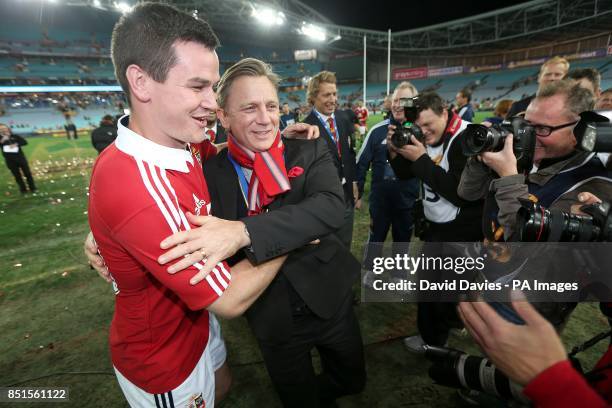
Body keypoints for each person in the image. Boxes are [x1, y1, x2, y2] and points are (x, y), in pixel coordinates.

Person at [88, 58, 365, 407]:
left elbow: (330, 208)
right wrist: (100, 232)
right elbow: (152, 205)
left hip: (329, 299)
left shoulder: (307, 147)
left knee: (352, 380)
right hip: (269, 315)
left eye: (272, 106)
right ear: (223, 117)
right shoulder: (204, 170)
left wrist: (244, 231)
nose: (265, 119)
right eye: (249, 108)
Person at [87, 4, 287, 407]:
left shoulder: (182, 140)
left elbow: (212, 154)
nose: (213, 103)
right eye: (197, 87)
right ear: (141, 82)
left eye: (212, 87)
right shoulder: (136, 190)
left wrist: (276, 136)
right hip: (163, 358)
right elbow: (230, 297)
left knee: (222, 384)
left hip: (195, 320)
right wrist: (291, 232)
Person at [386, 92, 484, 352]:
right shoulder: (424, 134)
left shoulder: (467, 138)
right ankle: (447, 326)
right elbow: (406, 174)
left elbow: (461, 193)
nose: (425, 132)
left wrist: (420, 159)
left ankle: (432, 341)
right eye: (421, 127)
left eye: (430, 125)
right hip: (437, 227)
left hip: (462, 229)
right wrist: (395, 152)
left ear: (445, 112)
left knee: (436, 290)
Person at [355, 81, 419, 272]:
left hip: (408, 199)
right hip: (380, 200)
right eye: (395, 100)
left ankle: (398, 273)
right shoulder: (377, 131)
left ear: (414, 103)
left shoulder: (421, 132)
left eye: (404, 100)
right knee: (375, 238)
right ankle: (369, 271)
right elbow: (361, 163)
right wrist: (357, 193)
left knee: (403, 240)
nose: (398, 104)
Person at [303, 71, 358, 249]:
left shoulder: (343, 118)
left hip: (347, 196)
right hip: (323, 200)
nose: (333, 99)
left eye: (334, 94)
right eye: (327, 94)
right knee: (326, 250)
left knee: (345, 245)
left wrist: (354, 181)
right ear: (313, 97)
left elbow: (349, 154)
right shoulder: (306, 127)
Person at [0, 123, 36, 194]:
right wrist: (2, 140)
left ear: (8, 129)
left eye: (4, 128)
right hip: (10, 160)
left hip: (21, 158)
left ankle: (33, 188)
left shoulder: (15, 136)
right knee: (17, 176)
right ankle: (23, 189)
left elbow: (25, 142)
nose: (3, 130)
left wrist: (16, 144)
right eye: (1, 129)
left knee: (27, 174)